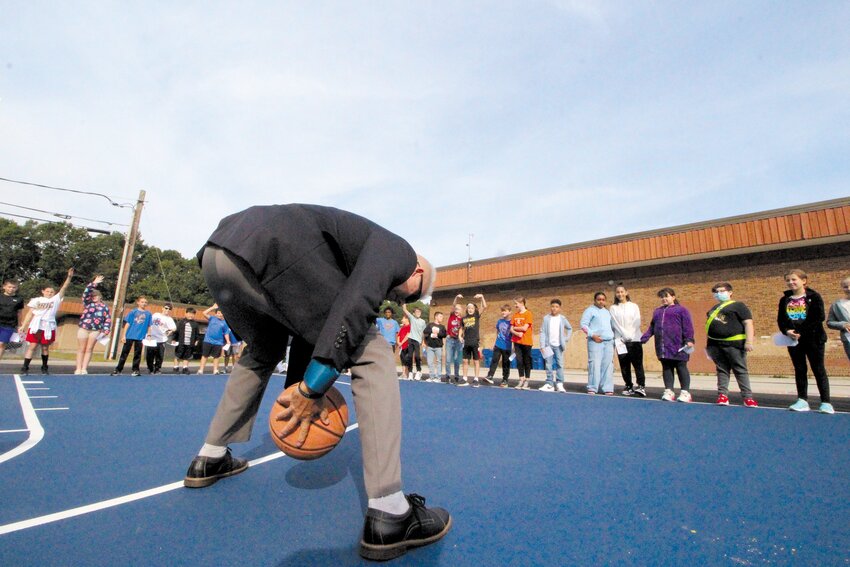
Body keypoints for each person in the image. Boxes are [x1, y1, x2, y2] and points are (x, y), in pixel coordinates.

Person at [182, 204, 450, 562]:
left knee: (263, 349)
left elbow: (310, 323)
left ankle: (210, 456)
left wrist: (298, 389)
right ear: (417, 270)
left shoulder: (343, 249)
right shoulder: (399, 250)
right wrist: (312, 387)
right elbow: (356, 304)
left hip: (220, 252)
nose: (400, 298)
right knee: (372, 352)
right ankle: (390, 511)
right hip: (271, 250)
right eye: (411, 293)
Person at [778, 269, 833, 414]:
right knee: (800, 369)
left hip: (813, 339)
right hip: (794, 341)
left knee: (818, 369)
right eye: (788, 280)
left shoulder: (814, 297)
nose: (791, 282)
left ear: (804, 280)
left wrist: (802, 332)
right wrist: (787, 331)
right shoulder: (785, 300)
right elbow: (781, 320)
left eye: (794, 279)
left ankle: (826, 402)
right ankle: (802, 400)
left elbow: (818, 317)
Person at [705, 282, 758, 407]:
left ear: (730, 292)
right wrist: (709, 347)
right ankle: (722, 396)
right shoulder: (713, 309)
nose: (719, 294)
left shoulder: (738, 306)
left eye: (722, 291)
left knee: (740, 370)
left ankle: (747, 397)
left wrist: (749, 342)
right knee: (722, 370)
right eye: (716, 292)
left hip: (734, 344)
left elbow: (748, 323)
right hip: (716, 345)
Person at [641, 288, 694, 403]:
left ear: (673, 297)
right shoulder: (657, 312)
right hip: (663, 347)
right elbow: (652, 327)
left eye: (667, 296)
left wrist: (689, 339)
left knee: (681, 367)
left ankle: (685, 392)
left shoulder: (681, 310)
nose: (664, 299)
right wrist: (645, 337)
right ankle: (669, 391)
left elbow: (688, 326)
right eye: (662, 297)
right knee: (667, 368)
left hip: (679, 346)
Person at [19, 268, 74, 375]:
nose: (49, 293)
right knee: (32, 346)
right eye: (47, 291)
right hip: (36, 325)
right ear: (43, 291)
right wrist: (24, 325)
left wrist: (69, 277)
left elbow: (64, 287)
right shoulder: (36, 300)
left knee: (45, 347)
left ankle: (44, 367)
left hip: (48, 326)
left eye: (51, 291)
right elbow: (30, 313)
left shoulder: (56, 299)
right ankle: (25, 367)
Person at [609, 285, 646, 397]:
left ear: (626, 292)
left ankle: (641, 386)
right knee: (624, 365)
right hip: (620, 340)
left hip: (634, 339)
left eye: (622, 292)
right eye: (618, 292)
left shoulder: (634, 306)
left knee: (638, 364)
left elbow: (637, 321)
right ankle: (628, 385)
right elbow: (615, 323)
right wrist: (624, 335)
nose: (620, 294)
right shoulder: (613, 308)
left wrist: (631, 334)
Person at [75, 275, 112, 375]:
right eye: (92, 296)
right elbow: (86, 292)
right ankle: (78, 368)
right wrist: (94, 283)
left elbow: (107, 320)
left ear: (100, 296)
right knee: (81, 348)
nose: (94, 297)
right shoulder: (88, 303)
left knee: (89, 348)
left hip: (95, 330)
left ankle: (84, 368)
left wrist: (105, 331)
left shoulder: (105, 307)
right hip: (84, 328)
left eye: (96, 296)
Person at [580, 292, 615, 395]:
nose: (601, 301)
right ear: (595, 300)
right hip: (595, 341)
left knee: (608, 366)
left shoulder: (607, 312)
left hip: (608, 342)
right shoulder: (590, 311)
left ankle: (607, 387)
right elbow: (583, 325)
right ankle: (592, 387)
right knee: (594, 364)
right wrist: (592, 335)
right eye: (599, 299)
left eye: (603, 299)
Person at [110, 296, 152, 377]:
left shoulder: (148, 314)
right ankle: (118, 369)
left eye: (145, 302)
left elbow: (149, 325)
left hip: (140, 337)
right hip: (130, 335)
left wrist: (149, 334)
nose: (143, 304)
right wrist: (124, 335)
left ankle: (135, 369)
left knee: (138, 354)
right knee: (124, 353)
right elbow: (128, 324)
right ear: (138, 302)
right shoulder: (133, 312)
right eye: (142, 302)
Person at [539, 299, 573, 392]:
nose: (554, 308)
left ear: (560, 308)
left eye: (556, 307)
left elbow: (569, 328)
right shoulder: (546, 318)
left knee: (560, 364)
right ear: (550, 307)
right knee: (548, 365)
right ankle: (549, 383)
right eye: (553, 306)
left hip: (559, 346)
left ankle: (559, 383)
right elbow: (542, 332)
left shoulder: (562, 319)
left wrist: (566, 339)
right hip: (547, 346)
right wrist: (542, 345)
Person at [458, 294, 487, 387]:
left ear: (474, 310)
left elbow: (485, 306)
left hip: (475, 342)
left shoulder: (476, 316)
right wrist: (459, 336)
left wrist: (482, 297)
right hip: (466, 342)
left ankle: (476, 379)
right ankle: (465, 378)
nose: (470, 309)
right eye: (469, 308)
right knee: (465, 361)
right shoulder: (463, 318)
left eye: (472, 308)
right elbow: (461, 328)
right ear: (467, 309)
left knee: (476, 361)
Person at [196, 304, 232, 375]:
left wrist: (228, 341)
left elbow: (226, 333)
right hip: (208, 341)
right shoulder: (212, 318)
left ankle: (215, 370)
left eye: (221, 313)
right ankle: (201, 370)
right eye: (218, 313)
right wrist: (212, 308)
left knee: (216, 357)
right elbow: (204, 313)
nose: (220, 314)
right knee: (205, 356)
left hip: (218, 342)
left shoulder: (225, 323)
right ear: (216, 313)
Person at [485, 304, 514, 388]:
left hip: (507, 346)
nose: (503, 312)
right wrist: (495, 343)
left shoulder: (512, 322)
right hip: (498, 344)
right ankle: (490, 375)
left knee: (506, 363)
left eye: (505, 311)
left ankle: (505, 379)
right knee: (494, 360)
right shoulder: (499, 321)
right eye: (502, 311)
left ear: (509, 312)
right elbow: (498, 332)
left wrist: (513, 347)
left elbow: (513, 335)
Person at [146, 303, 177, 375]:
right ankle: (150, 368)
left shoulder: (169, 319)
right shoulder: (155, 315)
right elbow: (149, 323)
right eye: (166, 308)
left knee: (159, 355)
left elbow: (174, 328)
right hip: (152, 338)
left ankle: (157, 368)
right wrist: (148, 334)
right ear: (162, 308)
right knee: (150, 354)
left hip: (162, 339)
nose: (167, 310)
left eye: (169, 309)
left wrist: (170, 331)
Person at [510, 297, 534, 390]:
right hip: (517, 342)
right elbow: (511, 329)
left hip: (526, 342)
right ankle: (521, 379)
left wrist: (516, 328)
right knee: (519, 361)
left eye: (516, 303)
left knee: (526, 361)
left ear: (522, 303)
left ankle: (527, 380)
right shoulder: (515, 315)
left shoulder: (528, 314)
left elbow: (525, 328)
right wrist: (516, 332)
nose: (515, 305)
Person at [826, 276, 850, 363]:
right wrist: (842, 325)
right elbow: (829, 322)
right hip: (848, 338)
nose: (848, 289)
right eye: (845, 287)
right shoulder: (837, 305)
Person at [0, 279, 25, 361]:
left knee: (2, 344)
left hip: (9, 325)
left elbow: (19, 313)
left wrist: (20, 325)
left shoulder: (19, 299)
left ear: (16, 288)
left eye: (13, 287)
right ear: (4, 287)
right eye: (9, 287)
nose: (11, 289)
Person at [401, 304, 426, 380]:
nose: (418, 313)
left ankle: (419, 371)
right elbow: (405, 310)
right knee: (410, 356)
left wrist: (423, 341)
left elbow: (423, 332)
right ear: (414, 313)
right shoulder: (412, 318)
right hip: (410, 339)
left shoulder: (423, 322)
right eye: (416, 312)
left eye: (419, 312)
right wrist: (404, 304)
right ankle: (411, 372)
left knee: (417, 357)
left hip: (417, 341)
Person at [172, 307, 200, 374]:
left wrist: (197, 340)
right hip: (181, 342)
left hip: (190, 343)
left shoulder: (195, 324)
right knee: (178, 355)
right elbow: (176, 331)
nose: (191, 315)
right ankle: (176, 367)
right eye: (189, 313)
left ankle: (185, 367)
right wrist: (174, 339)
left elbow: (197, 333)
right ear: (186, 313)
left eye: (193, 314)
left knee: (187, 355)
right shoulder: (181, 322)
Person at [444, 296, 464, 384]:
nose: (456, 310)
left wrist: (462, 337)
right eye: (456, 309)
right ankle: (448, 375)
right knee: (448, 359)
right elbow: (453, 305)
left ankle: (456, 376)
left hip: (458, 341)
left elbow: (463, 329)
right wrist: (456, 297)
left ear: (461, 311)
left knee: (456, 360)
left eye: (458, 309)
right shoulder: (452, 315)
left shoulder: (462, 319)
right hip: (450, 340)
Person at [423, 311, 447, 382]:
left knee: (439, 361)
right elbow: (425, 331)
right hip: (430, 346)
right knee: (430, 362)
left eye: (442, 317)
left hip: (438, 347)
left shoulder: (442, 327)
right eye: (440, 316)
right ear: (436, 317)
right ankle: (431, 376)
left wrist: (438, 333)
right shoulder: (430, 325)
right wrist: (431, 331)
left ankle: (438, 377)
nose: (442, 318)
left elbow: (444, 335)